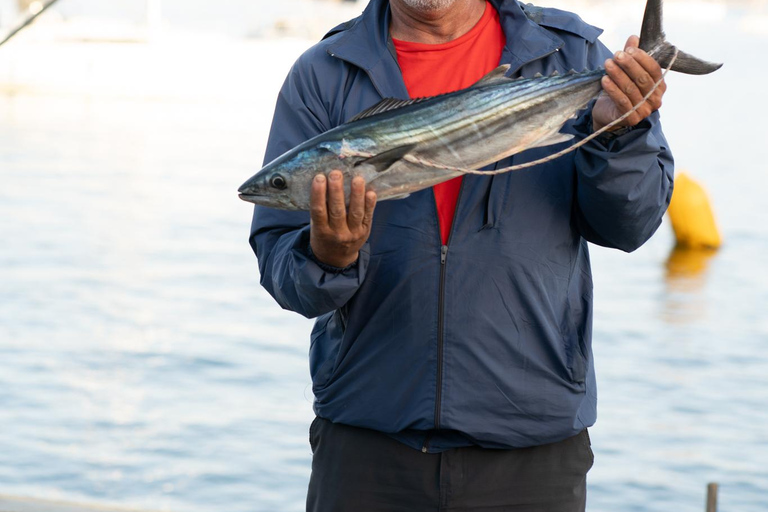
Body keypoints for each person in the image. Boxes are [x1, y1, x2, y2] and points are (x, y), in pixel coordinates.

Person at [249, 0, 672, 510]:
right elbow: (282, 266)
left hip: (532, 452)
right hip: (367, 447)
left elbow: (631, 224)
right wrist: (327, 256)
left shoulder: (568, 52)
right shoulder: (325, 71)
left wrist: (620, 135)